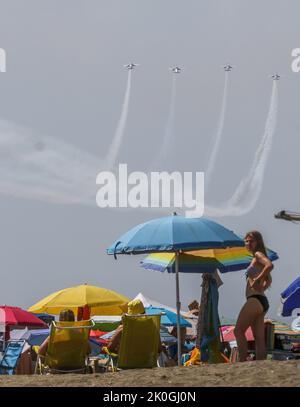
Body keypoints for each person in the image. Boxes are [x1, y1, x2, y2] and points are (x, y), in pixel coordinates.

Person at [234, 231, 274, 362]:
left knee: (238, 331)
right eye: (246, 241)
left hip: (255, 300)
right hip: (261, 301)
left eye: (251, 241)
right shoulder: (254, 258)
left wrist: (258, 278)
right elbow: (269, 280)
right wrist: (262, 283)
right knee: (259, 338)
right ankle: (260, 365)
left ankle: (242, 361)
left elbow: (270, 265)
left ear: (258, 242)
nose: (248, 243)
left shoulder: (258, 255)